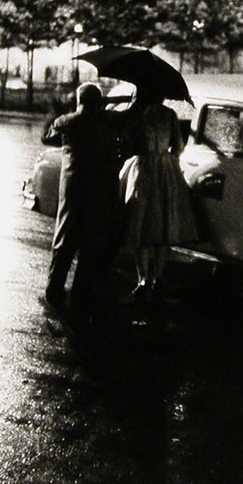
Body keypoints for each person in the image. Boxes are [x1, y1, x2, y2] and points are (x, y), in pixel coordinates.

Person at [41, 82, 123, 314]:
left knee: (65, 237)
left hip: (73, 189)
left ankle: (54, 287)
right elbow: (127, 118)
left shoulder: (66, 122)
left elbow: (47, 138)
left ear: (79, 100)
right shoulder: (110, 121)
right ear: (98, 102)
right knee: (92, 240)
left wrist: (55, 111)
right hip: (101, 189)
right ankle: (80, 291)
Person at [119, 87, 198, 308]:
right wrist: (167, 159)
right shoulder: (169, 115)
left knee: (140, 224)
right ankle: (158, 277)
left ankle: (143, 279)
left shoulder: (136, 115)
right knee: (163, 223)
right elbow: (179, 146)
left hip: (142, 168)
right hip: (165, 169)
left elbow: (125, 141)